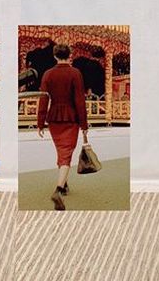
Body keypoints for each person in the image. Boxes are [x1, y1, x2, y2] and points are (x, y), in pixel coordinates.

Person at [37, 44, 88, 210]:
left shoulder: (48, 74)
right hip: (71, 118)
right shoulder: (75, 73)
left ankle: (64, 184)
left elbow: (43, 99)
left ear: (54, 56)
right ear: (70, 55)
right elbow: (80, 100)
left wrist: (40, 122)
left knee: (62, 151)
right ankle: (58, 190)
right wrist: (84, 124)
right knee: (66, 153)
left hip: (54, 119)